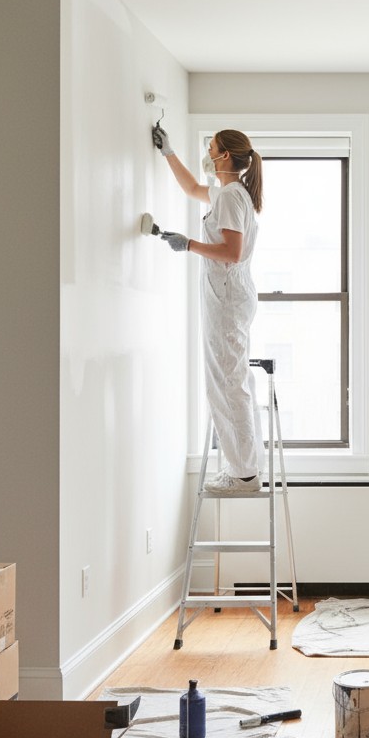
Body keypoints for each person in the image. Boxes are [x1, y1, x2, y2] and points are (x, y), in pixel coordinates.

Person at [152, 125, 264, 495]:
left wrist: (189, 245)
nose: (209, 152)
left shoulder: (232, 197)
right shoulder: (229, 194)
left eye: (212, 147)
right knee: (233, 382)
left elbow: (231, 253)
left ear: (225, 156)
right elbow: (190, 189)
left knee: (228, 384)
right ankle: (246, 466)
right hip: (229, 296)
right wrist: (167, 151)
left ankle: (244, 474)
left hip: (228, 299)